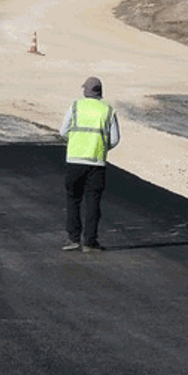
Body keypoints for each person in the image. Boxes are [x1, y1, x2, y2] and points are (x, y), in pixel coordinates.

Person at [59, 76, 120, 252]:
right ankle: (90, 242)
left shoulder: (76, 106)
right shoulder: (108, 110)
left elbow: (63, 131)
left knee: (73, 199)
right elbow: (115, 139)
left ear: (85, 91)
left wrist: (74, 142)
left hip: (74, 161)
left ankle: (73, 239)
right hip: (96, 162)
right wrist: (102, 147)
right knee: (93, 202)